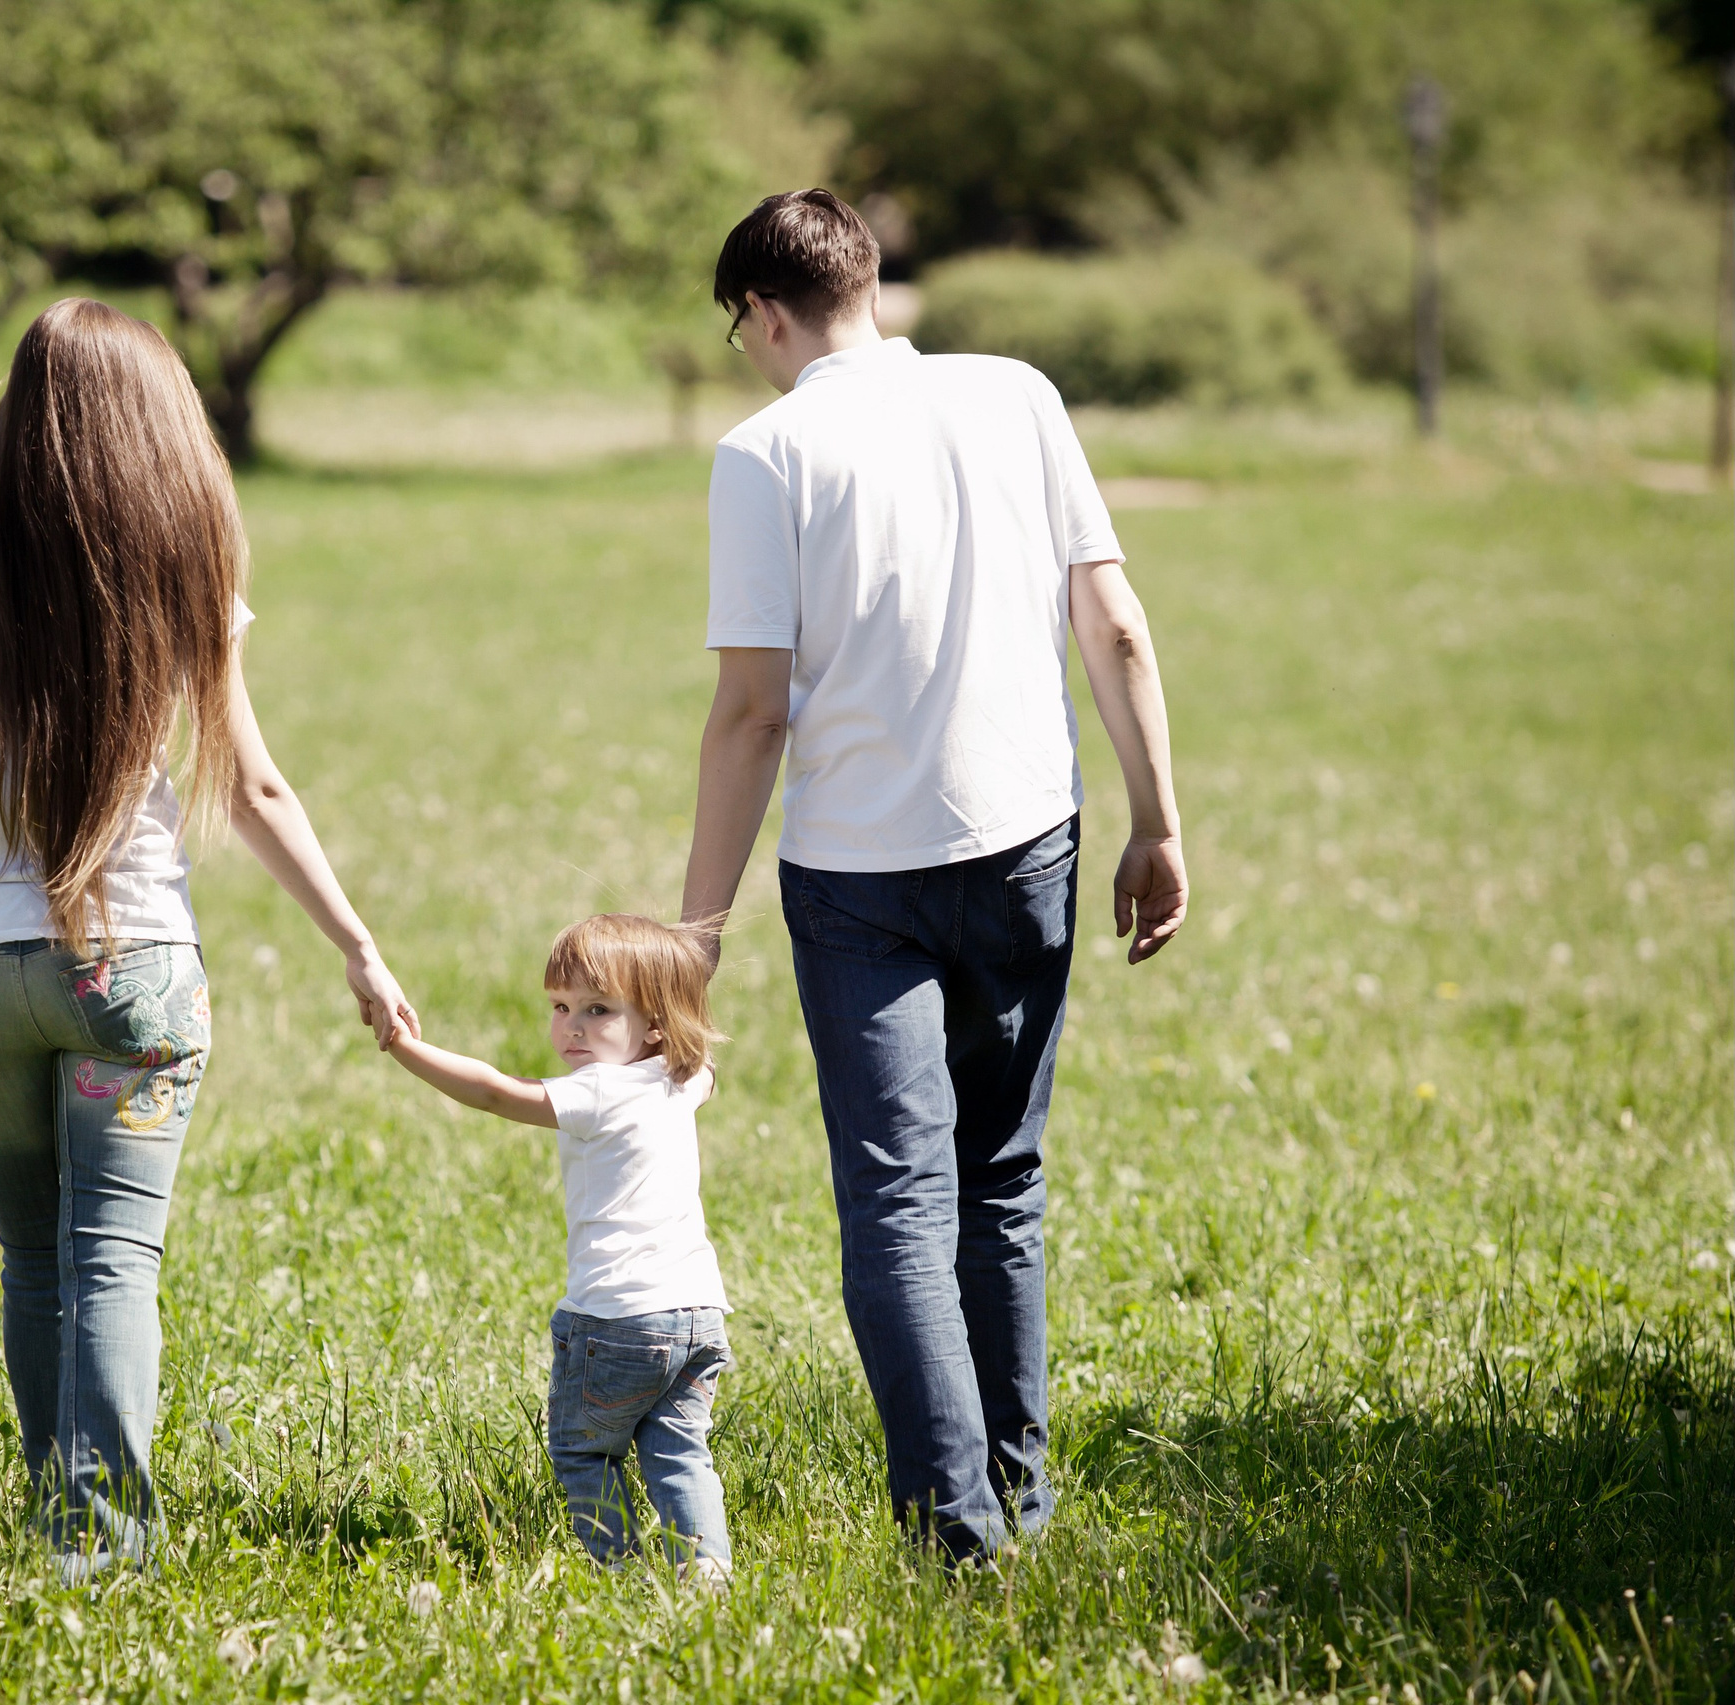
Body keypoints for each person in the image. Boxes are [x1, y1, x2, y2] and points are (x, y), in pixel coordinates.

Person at [0, 298, 416, 1580]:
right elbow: (251, 791)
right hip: (129, 973)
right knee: (110, 1261)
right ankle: (102, 1545)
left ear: (19, 413)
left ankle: (57, 1517)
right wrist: (358, 945)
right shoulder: (183, 566)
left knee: (35, 1255)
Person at [678, 190, 1187, 1562]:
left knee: (898, 1204)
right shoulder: (1018, 395)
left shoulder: (763, 452)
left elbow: (751, 715)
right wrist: (1158, 820)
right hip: (1031, 837)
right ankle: (1019, 1494)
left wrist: (696, 932)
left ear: (767, 314)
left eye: (744, 332)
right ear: (871, 282)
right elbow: (1116, 625)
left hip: (857, 877)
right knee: (1002, 1179)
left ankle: (957, 1540)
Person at [384, 914, 734, 1583]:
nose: (572, 1026)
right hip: (698, 1317)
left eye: (598, 1010)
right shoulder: (680, 1080)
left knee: (583, 1453)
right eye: (561, 1005)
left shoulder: (598, 1090)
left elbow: (494, 1091)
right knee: (681, 1454)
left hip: (615, 1319)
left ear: (656, 1023)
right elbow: (705, 1066)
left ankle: (621, 1571)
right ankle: (707, 1574)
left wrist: (406, 1049)